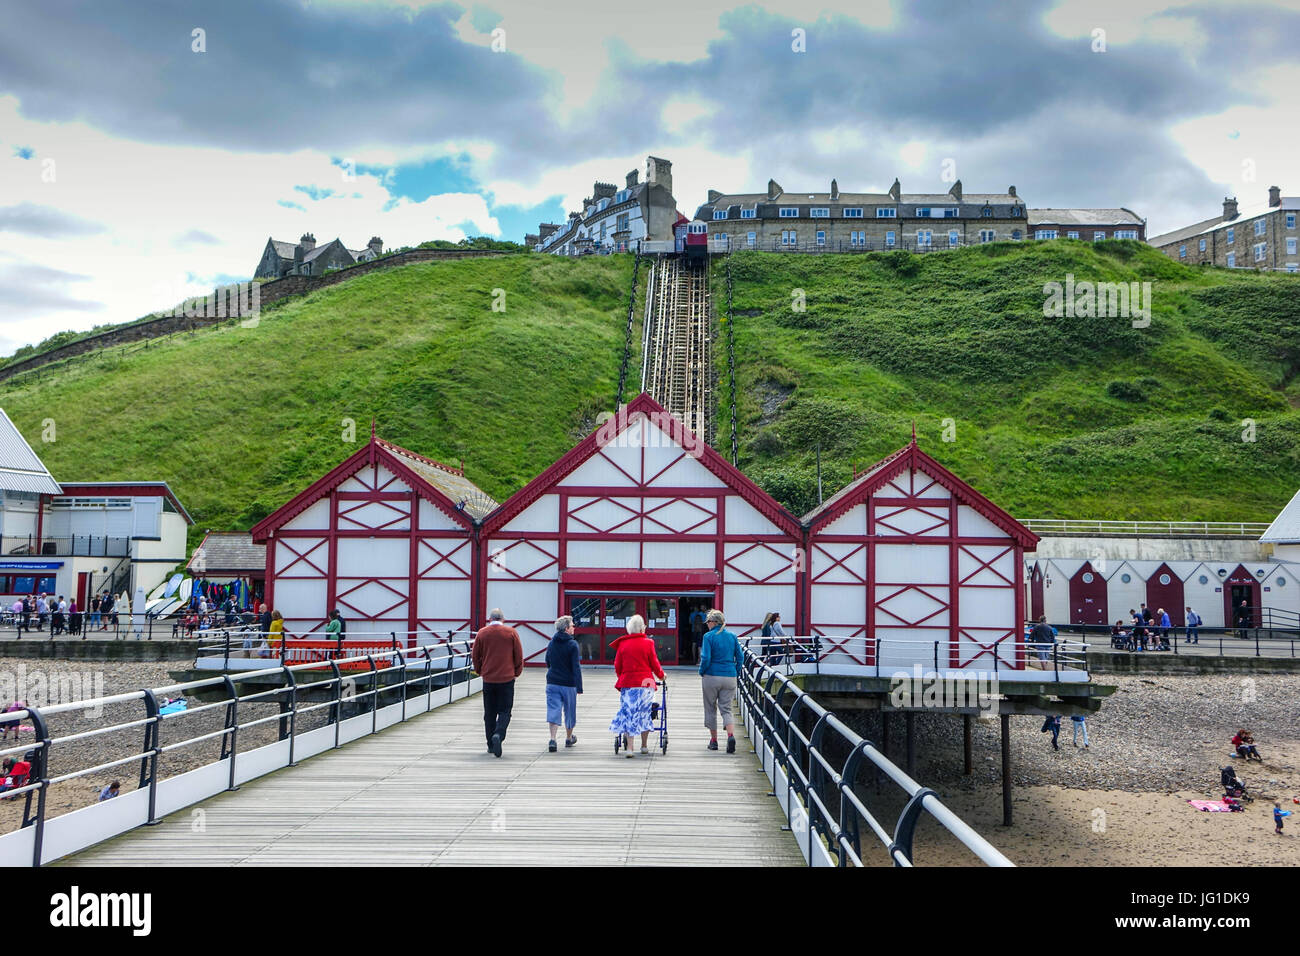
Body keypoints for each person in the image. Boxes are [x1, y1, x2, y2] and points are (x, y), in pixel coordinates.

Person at [608, 615, 665, 757]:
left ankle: (630, 748)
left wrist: (622, 676)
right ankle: (644, 746)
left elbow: (617, 666)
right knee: (644, 712)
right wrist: (661, 675)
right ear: (641, 628)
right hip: (646, 683)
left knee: (629, 713)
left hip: (628, 683)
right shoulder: (648, 643)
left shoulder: (622, 644)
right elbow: (654, 663)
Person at [472, 609, 523, 758]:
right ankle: (499, 735)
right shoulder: (511, 633)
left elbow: (475, 655)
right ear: (503, 619)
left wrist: (479, 671)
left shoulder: (482, 633)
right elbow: (518, 655)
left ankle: (490, 744)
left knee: (489, 712)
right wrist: (516, 672)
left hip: (488, 679)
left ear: (489, 619)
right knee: (505, 710)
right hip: (506, 678)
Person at [699, 609, 744, 753]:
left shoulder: (708, 636)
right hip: (729, 676)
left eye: (708, 622)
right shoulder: (732, 636)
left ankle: (714, 741)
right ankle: (730, 736)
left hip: (711, 676)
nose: (707, 625)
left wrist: (702, 671)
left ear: (714, 622)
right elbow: (740, 657)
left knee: (710, 708)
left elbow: (706, 658)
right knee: (727, 708)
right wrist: (735, 671)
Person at [544, 615, 582, 752]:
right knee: (570, 711)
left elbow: (547, 660)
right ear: (566, 629)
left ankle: (553, 739)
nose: (574, 627)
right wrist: (579, 686)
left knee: (553, 709)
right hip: (568, 683)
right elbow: (575, 667)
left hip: (552, 681)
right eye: (572, 625)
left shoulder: (551, 643)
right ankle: (568, 737)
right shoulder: (572, 645)